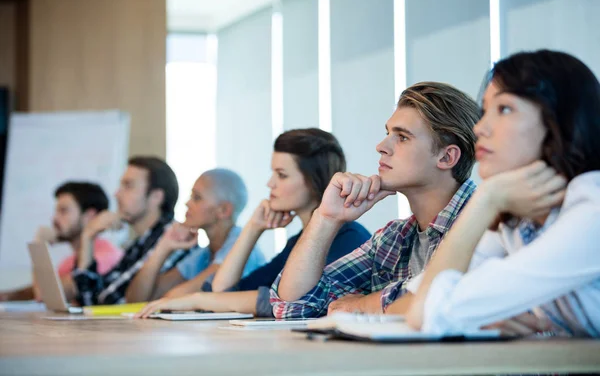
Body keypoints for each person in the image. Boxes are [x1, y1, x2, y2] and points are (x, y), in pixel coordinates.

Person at [404, 50, 600, 338]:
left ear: (558, 120)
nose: (479, 128)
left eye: (505, 109)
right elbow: (420, 307)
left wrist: (485, 198)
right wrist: (476, 314)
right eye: (485, 111)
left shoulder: (592, 210)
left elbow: (431, 311)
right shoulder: (519, 218)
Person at [270, 82, 480, 318]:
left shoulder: (487, 223)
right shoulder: (393, 239)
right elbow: (292, 306)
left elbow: (440, 300)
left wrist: (362, 304)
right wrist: (326, 218)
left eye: (402, 137)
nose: (381, 147)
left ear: (446, 156)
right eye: (387, 133)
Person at [135, 128, 370, 318]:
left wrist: (198, 299)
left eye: (282, 175)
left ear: (313, 181)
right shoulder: (297, 243)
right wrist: (253, 228)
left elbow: (293, 302)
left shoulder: (348, 238)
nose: (270, 184)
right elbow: (224, 290)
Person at [125, 168, 264, 302]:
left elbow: (172, 298)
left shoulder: (241, 246)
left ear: (224, 210)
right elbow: (137, 299)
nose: (187, 203)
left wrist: (164, 300)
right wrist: (163, 247)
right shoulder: (204, 254)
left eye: (197, 198)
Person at [71, 156, 189, 306]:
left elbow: (113, 303)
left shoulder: (173, 240)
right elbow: (91, 299)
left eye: (128, 186)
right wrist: (88, 237)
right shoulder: (139, 243)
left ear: (156, 197)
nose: (117, 194)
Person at [0, 182, 122, 301]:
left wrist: (39, 245)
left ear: (89, 217)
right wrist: (6, 296)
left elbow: (44, 294)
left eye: (63, 211)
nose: (55, 218)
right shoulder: (68, 262)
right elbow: (44, 287)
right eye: (56, 211)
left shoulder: (107, 256)